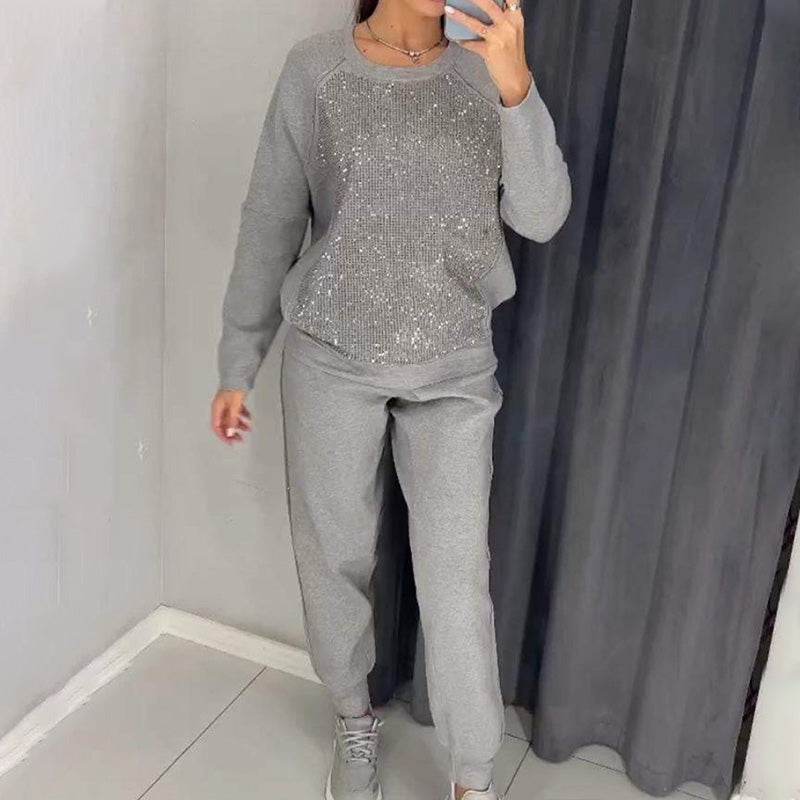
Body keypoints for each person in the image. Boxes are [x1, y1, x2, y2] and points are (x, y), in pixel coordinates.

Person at [210, 0, 571, 798]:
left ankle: (472, 774)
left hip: (453, 368)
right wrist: (240, 359)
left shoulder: (485, 72)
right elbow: (272, 216)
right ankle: (353, 719)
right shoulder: (317, 71)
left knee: (456, 577)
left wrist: (517, 88)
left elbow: (542, 217)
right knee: (333, 558)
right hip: (331, 357)